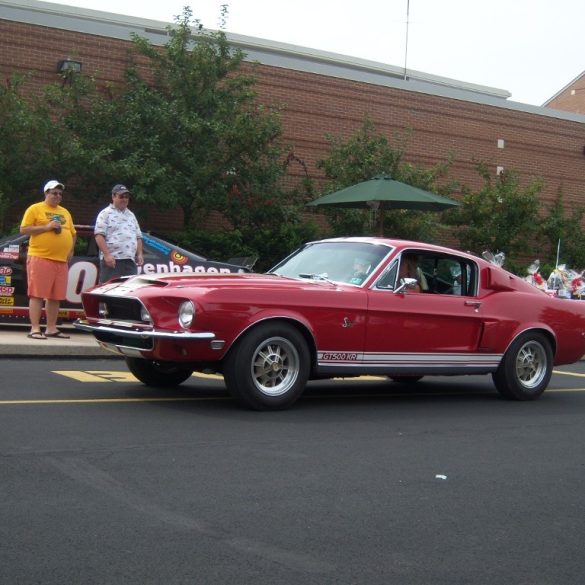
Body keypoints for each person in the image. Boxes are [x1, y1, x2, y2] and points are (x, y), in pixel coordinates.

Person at [20, 179, 76, 339]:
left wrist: (70, 250)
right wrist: (46, 227)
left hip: (60, 260)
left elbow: (72, 233)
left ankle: (51, 328)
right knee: (37, 294)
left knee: (55, 296)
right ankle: (35, 328)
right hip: (40, 257)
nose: (57, 196)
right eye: (54, 193)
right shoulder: (35, 209)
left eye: (60, 193)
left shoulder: (65, 212)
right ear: (46, 193)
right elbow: (24, 229)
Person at [94, 184, 144, 283]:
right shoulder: (105, 213)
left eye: (126, 197)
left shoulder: (131, 215)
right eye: (121, 196)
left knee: (128, 292)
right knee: (109, 291)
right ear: (113, 197)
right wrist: (107, 255)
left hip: (130, 261)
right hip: (113, 260)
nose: (124, 199)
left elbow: (138, 237)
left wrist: (140, 254)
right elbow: (99, 235)